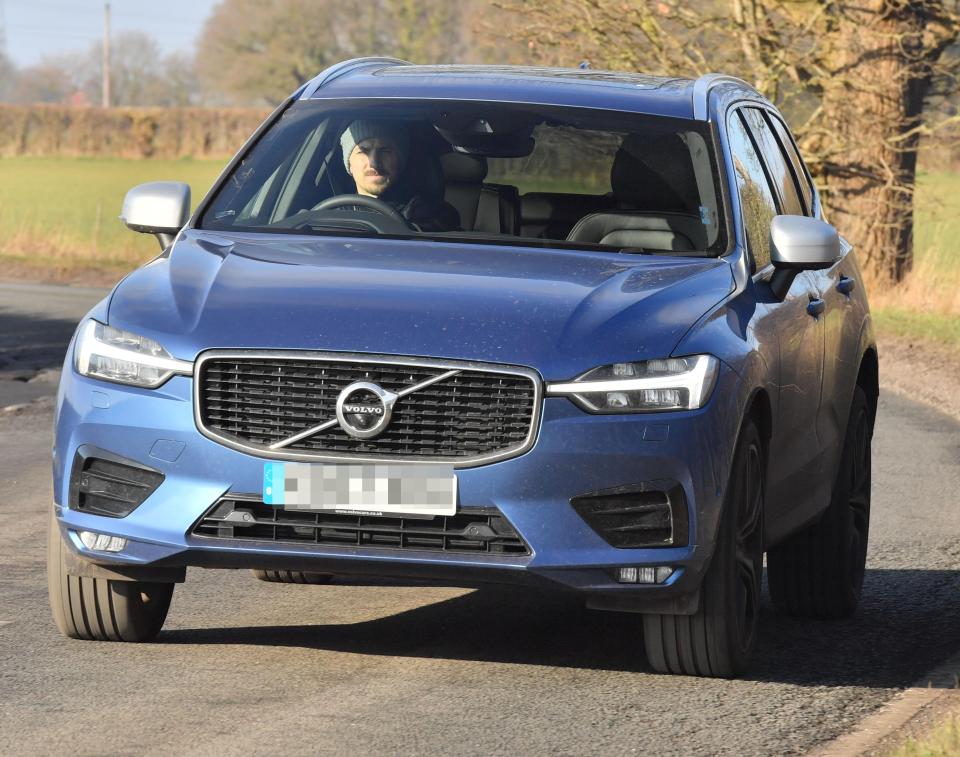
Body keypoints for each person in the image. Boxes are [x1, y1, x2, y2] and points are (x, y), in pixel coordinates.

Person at [339, 120, 460, 232]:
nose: (374, 163)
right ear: (349, 164)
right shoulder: (332, 215)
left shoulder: (432, 215)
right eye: (363, 151)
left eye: (385, 151)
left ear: (400, 162)